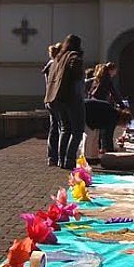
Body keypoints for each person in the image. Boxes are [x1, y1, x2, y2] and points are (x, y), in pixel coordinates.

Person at [44, 34, 85, 169]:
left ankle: (61, 160)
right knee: (77, 130)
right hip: (71, 98)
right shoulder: (73, 56)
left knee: (65, 129)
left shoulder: (58, 58)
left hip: (56, 99)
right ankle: (69, 159)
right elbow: (76, 73)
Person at [42, 42, 61, 166]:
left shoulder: (49, 64)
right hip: (57, 99)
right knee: (62, 128)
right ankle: (59, 156)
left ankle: (52, 156)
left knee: (54, 128)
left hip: (49, 99)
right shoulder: (57, 64)